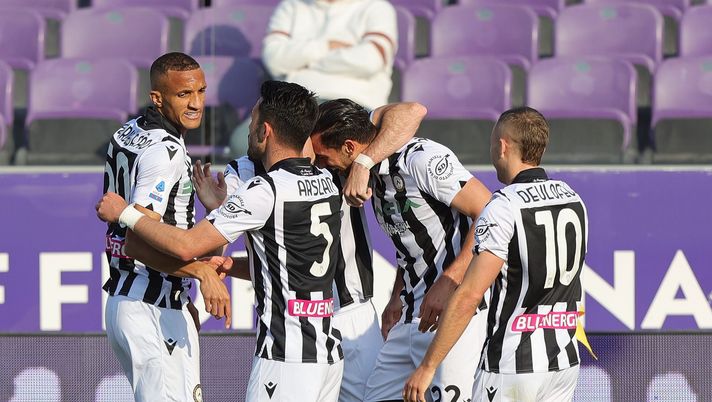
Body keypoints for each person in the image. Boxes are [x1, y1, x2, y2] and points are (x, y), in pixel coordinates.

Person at [97, 80, 346, 402]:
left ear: (265, 131)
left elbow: (186, 246)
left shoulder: (265, 191)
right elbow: (286, 263)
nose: (249, 129)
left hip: (287, 354)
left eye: (253, 120)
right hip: (327, 351)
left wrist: (126, 214)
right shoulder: (326, 182)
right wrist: (223, 243)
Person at [193, 98, 427, 402]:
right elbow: (220, 243)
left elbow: (412, 112)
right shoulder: (244, 171)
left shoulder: (334, 156)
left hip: (351, 316)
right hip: (296, 325)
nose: (251, 128)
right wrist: (217, 209)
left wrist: (363, 164)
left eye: (255, 121)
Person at [309, 102, 492, 402]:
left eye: (323, 158)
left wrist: (450, 279)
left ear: (348, 147)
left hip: (453, 314)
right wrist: (396, 294)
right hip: (410, 314)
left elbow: (488, 212)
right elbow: (410, 242)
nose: (320, 165)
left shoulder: (421, 160)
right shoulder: (376, 176)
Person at [403, 107, 589, 402]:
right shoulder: (572, 198)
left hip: (512, 366)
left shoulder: (503, 205)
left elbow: (469, 296)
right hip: (563, 362)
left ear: (502, 146)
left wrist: (428, 367)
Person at [101, 52, 231, 402]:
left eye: (201, 92)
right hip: (151, 308)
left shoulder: (127, 132)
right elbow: (137, 242)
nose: (196, 103)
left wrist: (212, 212)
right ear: (157, 98)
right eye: (183, 95)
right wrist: (201, 273)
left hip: (133, 301)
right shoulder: (166, 152)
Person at [230, 0, 397, 156]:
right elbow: (274, 60)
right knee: (242, 142)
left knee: (334, 150)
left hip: (353, 106)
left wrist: (303, 62)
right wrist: (327, 46)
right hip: (293, 104)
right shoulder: (291, 6)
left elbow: (370, 61)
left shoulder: (376, 7)